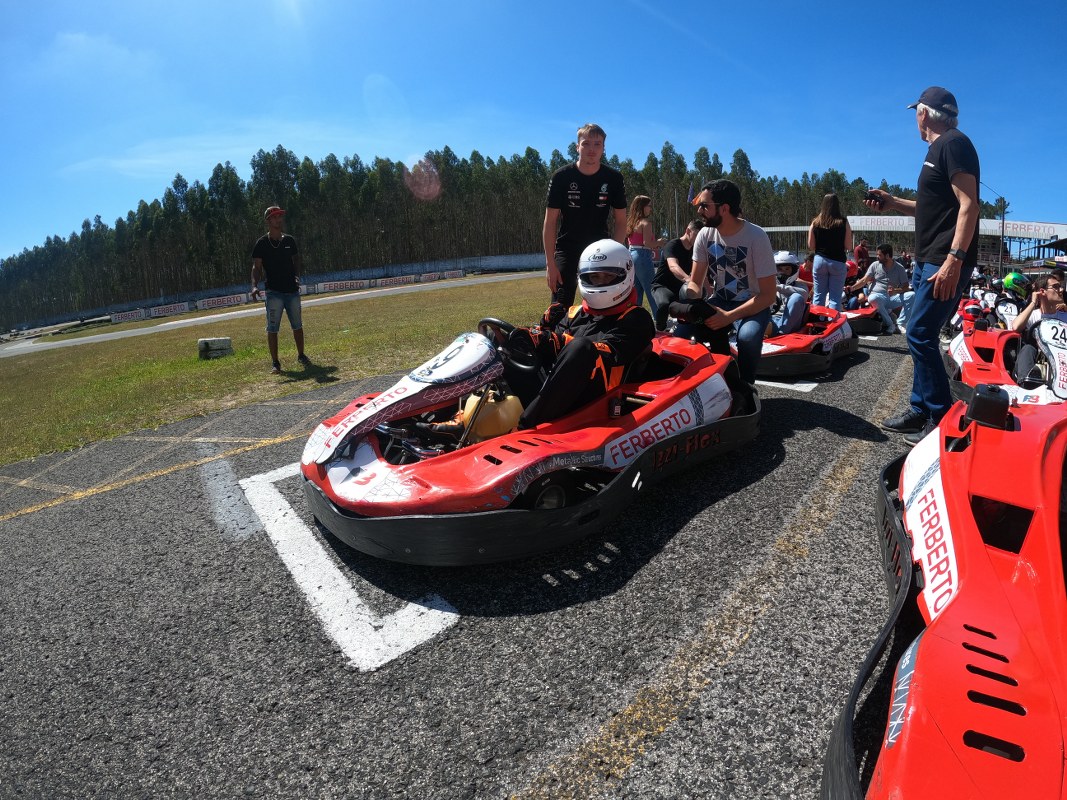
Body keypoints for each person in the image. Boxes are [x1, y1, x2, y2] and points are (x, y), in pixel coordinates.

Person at [866, 86, 981, 444]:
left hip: (942, 262)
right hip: (928, 260)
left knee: (918, 333)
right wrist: (891, 202)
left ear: (924, 113)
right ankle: (920, 409)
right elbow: (928, 208)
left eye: (916, 111)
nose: (914, 117)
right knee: (922, 333)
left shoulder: (953, 144)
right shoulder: (938, 150)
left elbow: (970, 205)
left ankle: (941, 418)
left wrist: (954, 260)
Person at [507, 239, 655, 428]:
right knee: (505, 342)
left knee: (581, 347)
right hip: (556, 394)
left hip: (597, 401)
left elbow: (601, 353)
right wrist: (540, 331)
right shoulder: (574, 313)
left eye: (606, 277)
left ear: (625, 274)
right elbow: (550, 351)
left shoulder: (636, 318)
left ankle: (525, 427)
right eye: (594, 277)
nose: (599, 282)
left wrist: (554, 340)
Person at [670, 179, 777, 385]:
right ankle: (691, 387)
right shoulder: (704, 234)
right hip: (719, 301)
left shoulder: (756, 236)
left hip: (754, 304)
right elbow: (695, 282)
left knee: (747, 337)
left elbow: (768, 295)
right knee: (681, 334)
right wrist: (688, 297)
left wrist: (729, 317)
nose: (699, 210)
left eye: (704, 205)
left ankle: (746, 387)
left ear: (724, 208)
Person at [542, 123, 627, 307]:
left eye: (597, 144)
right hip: (567, 249)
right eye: (586, 143)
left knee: (601, 305)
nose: (591, 149)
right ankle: (556, 334)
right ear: (577, 146)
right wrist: (551, 264)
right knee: (559, 307)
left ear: (603, 148)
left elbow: (621, 221)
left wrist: (614, 254)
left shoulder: (613, 178)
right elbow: (550, 222)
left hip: (600, 250)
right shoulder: (561, 177)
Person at [251, 206, 311, 374]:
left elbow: (296, 259)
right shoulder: (261, 244)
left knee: (297, 325)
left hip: (292, 291)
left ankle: (301, 355)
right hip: (273, 293)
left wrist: (297, 276)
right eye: (275, 216)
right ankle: (275, 363)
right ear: (268, 221)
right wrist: (254, 286)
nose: (279, 219)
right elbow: (256, 267)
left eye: (280, 216)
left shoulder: (289, 241)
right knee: (272, 328)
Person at [1011, 270, 1066, 385]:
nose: (1061, 290)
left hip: (1063, 361)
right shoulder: (1034, 315)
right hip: (1040, 363)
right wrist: (1033, 302)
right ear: (1042, 291)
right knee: (1028, 348)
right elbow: (1015, 327)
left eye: (1061, 287)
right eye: (1056, 287)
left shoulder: (1065, 314)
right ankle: (1027, 384)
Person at [650, 219, 705, 331]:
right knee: (665, 303)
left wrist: (708, 292)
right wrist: (688, 279)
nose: (699, 239)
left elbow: (703, 272)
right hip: (662, 286)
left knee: (697, 305)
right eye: (697, 235)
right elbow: (673, 266)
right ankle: (660, 329)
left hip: (681, 288)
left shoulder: (696, 250)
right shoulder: (672, 245)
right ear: (688, 231)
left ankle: (687, 330)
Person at [846, 243, 911, 334]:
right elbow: (864, 280)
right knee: (873, 297)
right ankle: (891, 324)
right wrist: (851, 288)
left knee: (912, 295)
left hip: (892, 297)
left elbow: (906, 286)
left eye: (879, 255)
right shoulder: (875, 265)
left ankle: (900, 324)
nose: (877, 257)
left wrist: (896, 291)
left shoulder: (900, 268)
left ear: (887, 256)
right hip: (877, 297)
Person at [808, 193, 854, 311]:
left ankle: (817, 324)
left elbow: (811, 245)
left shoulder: (815, 222)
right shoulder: (843, 222)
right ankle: (833, 326)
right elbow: (849, 246)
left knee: (818, 295)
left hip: (820, 261)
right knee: (835, 298)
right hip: (837, 262)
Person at [625, 195, 668, 320]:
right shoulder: (646, 223)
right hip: (643, 256)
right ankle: (660, 321)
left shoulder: (632, 223)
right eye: (649, 206)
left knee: (636, 292)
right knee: (652, 290)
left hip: (632, 255)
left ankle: (633, 320)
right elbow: (647, 243)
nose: (650, 209)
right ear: (642, 207)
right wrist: (659, 242)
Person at [766, 251, 809, 336]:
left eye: (787, 269)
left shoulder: (800, 285)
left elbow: (804, 295)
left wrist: (778, 287)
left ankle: (780, 333)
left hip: (791, 324)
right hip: (771, 320)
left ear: (794, 270)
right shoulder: (768, 284)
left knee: (796, 297)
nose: (783, 272)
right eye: (780, 269)